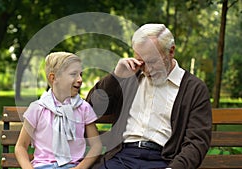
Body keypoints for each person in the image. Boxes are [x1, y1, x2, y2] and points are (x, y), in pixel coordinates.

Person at [86, 24, 212, 169]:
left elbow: (197, 141)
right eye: (141, 62)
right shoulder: (128, 77)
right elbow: (92, 109)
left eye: (152, 61)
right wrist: (116, 77)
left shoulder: (194, 89)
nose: (146, 69)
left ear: (171, 51)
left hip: (164, 160)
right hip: (122, 156)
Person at [15, 52, 102, 169]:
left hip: (73, 166)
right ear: (53, 78)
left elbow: (96, 145)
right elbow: (21, 146)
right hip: (43, 166)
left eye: (80, 74)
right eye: (73, 74)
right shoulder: (37, 108)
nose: (80, 79)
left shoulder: (83, 108)